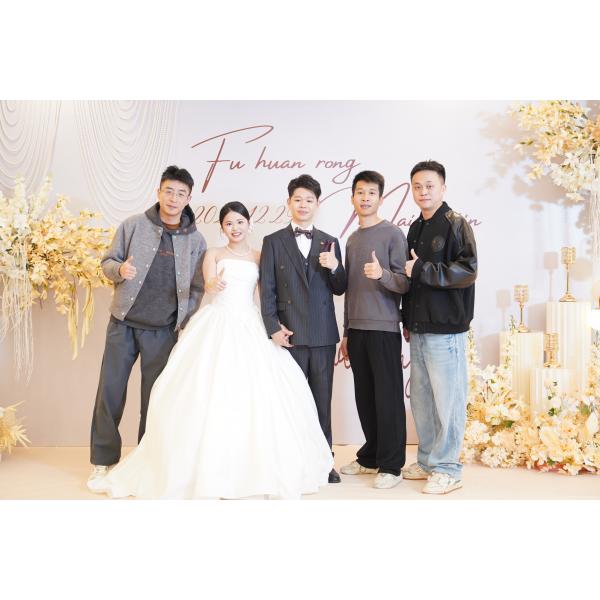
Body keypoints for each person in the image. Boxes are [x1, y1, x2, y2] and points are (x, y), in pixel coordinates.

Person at [87, 201, 333, 499]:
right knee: (203, 388)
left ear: (249, 224)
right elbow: (207, 283)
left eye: (240, 222)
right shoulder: (213, 253)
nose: (235, 228)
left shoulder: (260, 255)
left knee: (257, 393)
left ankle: (250, 466)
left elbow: (267, 294)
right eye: (229, 223)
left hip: (249, 323)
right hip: (217, 321)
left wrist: (275, 325)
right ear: (222, 228)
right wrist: (213, 283)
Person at [88, 166, 206, 488]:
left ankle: (145, 462)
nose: (173, 198)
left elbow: (197, 287)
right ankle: (103, 461)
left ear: (188, 198)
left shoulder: (196, 240)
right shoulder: (133, 225)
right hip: (123, 324)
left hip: (163, 332)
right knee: (110, 393)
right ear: (158, 192)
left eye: (181, 193)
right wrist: (119, 270)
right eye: (169, 191)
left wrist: (182, 319)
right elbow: (107, 262)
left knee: (155, 401)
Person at [260, 174, 347, 483]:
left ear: (317, 204)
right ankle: (292, 462)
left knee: (322, 402)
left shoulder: (330, 241)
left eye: (309, 200)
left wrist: (334, 267)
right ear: (289, 203)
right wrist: (273, 327)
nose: (303, 204)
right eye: (298, 199)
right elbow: (267, 289)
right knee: (291, 402)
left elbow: (340, 287)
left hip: (322, 335)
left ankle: (324, 462)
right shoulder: (273, 241)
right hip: (289, 335)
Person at [401, 160, 477, 495]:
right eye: (417, 186)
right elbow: (409, 278)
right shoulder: (415, 228)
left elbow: (468, 270)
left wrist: (423, 270)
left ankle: (448, 469)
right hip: (419, 327)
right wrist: (407, 320)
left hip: (447, 329)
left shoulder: (455, 223)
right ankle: (429, 461)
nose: (423, 192)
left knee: (448, 401)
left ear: (443, 188)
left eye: (430, 185)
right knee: (423, 401)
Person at [338, 170, 409, 489]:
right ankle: (370, 457)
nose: (365, 198)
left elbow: (405, 284)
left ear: (381, 198)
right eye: (360, 192)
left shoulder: (393, 234)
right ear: (352, 197)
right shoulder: (352, 239)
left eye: (371, 193)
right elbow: (350, 290)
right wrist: (346, 332)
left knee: (388, 398)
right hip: (357, 329)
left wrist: (382, 274)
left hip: (384, 329)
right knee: (365, 397)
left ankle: (391, 466)